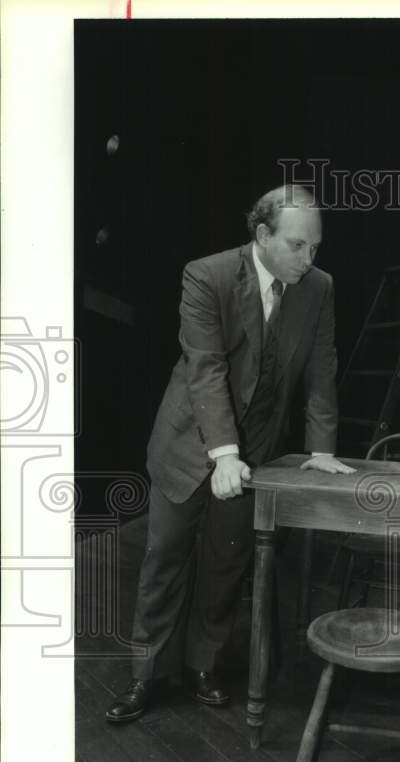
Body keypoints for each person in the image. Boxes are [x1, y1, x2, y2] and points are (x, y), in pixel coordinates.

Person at [106, 184, 354, 724]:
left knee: (226, 563)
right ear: (262, 235)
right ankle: (146, 675)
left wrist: (320, 449)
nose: (308, 259)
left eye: (315, 247)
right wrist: (223, 454)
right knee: (165, 561)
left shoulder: (318, 288)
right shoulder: (208, 274)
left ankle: (202, 664)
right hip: (189, 445)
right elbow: (206, 369)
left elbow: (321, 370)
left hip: (257, 453)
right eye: (297, 246)